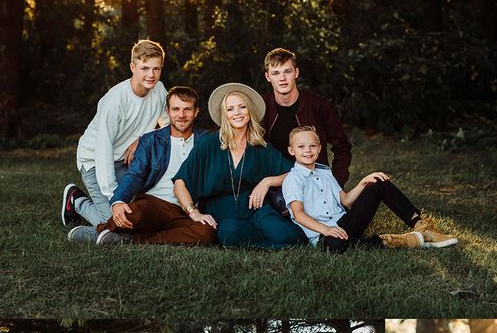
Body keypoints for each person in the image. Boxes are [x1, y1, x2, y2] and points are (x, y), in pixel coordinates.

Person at [69, 88, 216, 248]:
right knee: (131, 214)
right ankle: (106, 230)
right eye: (175, 109)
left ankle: (123, 238)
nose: (181, 115)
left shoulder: (206, 141)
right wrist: (118, 201)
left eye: (187, 109)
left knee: (207, 232)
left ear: (196, 112)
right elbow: (135, 175)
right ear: (167, 111)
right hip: (153, 205)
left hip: (186, 210)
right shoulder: (151, 140)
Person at [172, 84, 306, 250]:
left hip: (256, 209)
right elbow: (180, 183)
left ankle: (264, 240)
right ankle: (265, 243)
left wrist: (268, 181)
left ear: (249, 111)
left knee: (287, 236)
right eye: (230, 109)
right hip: (222, 214)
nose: (237, 113)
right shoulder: (208, 144)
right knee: (229, 233)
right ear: (224, 114)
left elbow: (296, 172)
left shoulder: (260, 147)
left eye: (242, 107)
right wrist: (194, 212)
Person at [283, 126, 459, 250]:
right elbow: (299, 215)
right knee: (334, 246)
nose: (308, 150)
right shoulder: (293, 179)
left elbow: (345, 200)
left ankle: (421, 226)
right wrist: (326, 230)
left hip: (345, 223)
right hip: (322, 234)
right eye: (301, 146)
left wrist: (364, 182)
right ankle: (398, 241)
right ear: (292, 151)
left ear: (320, 148)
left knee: (378, 181)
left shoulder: (325, 172)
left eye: (313, 145)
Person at [61, 40, 167, 230]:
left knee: (137, 212)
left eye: (156, 69)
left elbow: (169, 126)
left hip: (126, 160)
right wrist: (114, 198)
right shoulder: (115, 100)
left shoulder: (159, 90)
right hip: (94, 160)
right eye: (144, 68)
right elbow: (103, 149)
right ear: (132, 67)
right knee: (115, 222)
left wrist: (143, 139)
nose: (151, 75)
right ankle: (76, 201)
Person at [262, 47, 352, 187]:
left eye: (287, 71)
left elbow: (342, 146)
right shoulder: (261, 107)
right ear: (268, 77)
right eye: (275, 73)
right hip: (276, 182)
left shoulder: (319, 105)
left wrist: (336, 182)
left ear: (296, 72)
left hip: (314, 180)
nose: (282, 78)